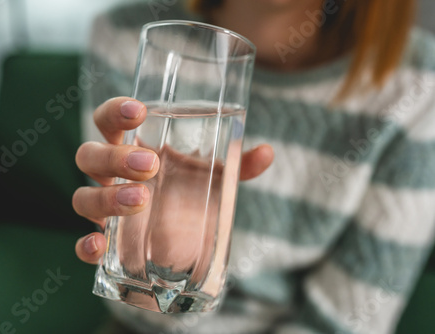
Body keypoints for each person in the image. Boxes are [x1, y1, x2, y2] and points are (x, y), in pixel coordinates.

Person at [72, 0, 435, 333]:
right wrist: (162, 253)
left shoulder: (418, 84)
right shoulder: (127, 35)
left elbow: (347, 320)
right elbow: (139, 294)